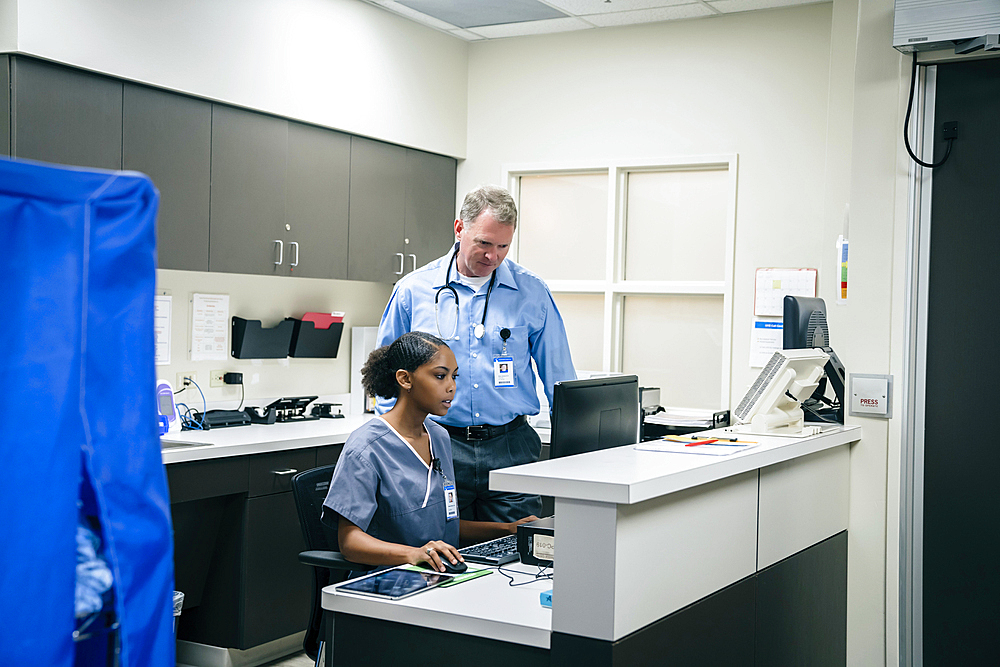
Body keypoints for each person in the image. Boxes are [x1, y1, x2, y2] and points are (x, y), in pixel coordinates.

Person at [376, 185, 576, 523]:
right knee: (442, 552)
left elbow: (561, 380)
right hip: (437, 444)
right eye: (483, 243)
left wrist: (574, 454)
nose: (492, 256)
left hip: (511, 446)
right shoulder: (413, 290)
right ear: (459, 229)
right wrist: (397, 446)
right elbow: (386, 378)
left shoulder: (532, 292)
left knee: (518, 556)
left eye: (503, 246)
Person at [322, 331, 536, 572]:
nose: (451, 387)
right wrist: (413, 555)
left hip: (442, 573)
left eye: (454, 377)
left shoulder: (438, 436)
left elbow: (444, 525)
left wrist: (508, 529)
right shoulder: (366, 448)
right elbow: (349, 543)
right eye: (440, 376)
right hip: (389, 579)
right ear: (405, 379)